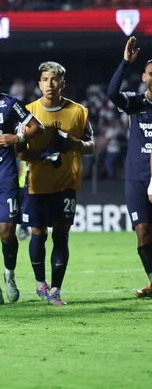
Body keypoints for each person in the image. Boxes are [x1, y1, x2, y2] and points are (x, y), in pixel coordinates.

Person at [19, 61, 94, 306]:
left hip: (66, 184)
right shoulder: (27, 112)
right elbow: (19, 151)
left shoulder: (79, 112)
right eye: (45, 79)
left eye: (54, 79)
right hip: (37, 184)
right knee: (38, 234)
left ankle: (56, 290)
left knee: (61, 235)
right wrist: (40, 155)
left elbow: (91, 146)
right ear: (39, 84)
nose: (49, 84)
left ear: (63, 83)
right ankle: (40, 282)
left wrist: (75, 143)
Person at [0, 65, 42, 305]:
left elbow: (38, 126)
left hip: (4, 178)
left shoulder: (9, 103)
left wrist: (17, 137)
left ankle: (9, 275)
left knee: (6, 233)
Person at [107, 37, 152, 297]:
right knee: (143, 232)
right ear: (144, 77)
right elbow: (112, 93)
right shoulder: (136, 103)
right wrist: (125, 62)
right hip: (136, 177)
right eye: (151, 73)